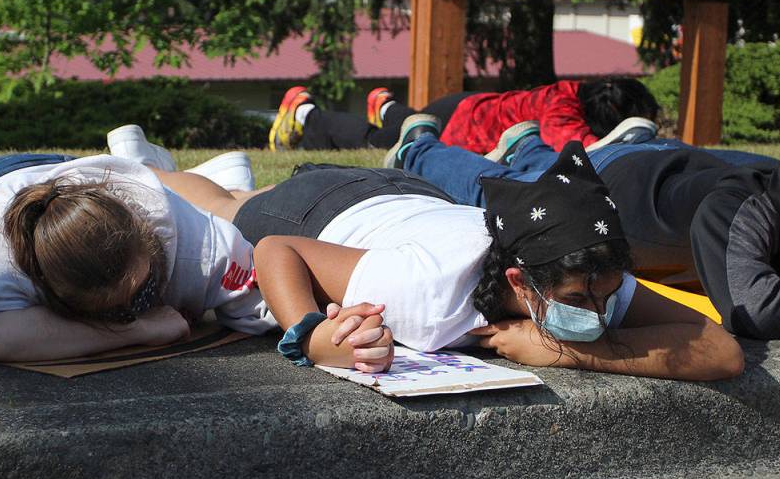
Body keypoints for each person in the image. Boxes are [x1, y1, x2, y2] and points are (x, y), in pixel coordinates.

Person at [227, 141, 743, 380]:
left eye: (606, 296)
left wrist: (575, 353)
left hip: (416, 196)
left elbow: (722, 351)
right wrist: (311, 336)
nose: (598, 314)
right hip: (318, 209)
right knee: (223, 208)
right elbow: (278, 249)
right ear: (519, 281)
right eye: (576, 301)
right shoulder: (423, 289)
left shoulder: (587, 273)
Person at [0, 122, 278, 362]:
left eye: (146, 289)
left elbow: (258, 293)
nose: (136, 305)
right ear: (47, 288)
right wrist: (136, 328)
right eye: (117, 307)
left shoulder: (185, 234)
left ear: (143, 234)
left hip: (52, 170)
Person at [391, 116, 780, 340]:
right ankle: (419, 147)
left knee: (534, 169)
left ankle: (528, 146)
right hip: (615, 185)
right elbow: (755, 311)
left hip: (666, 164)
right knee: (499, 199)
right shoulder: (745, 208)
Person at [267, 77, 660, 154]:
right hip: (461, 123)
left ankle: (385, 104)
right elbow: (576, 146)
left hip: (464, 107)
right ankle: (307, 112)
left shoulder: (576, 90)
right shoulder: (564, 107)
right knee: (381, 143)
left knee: (409, 120)